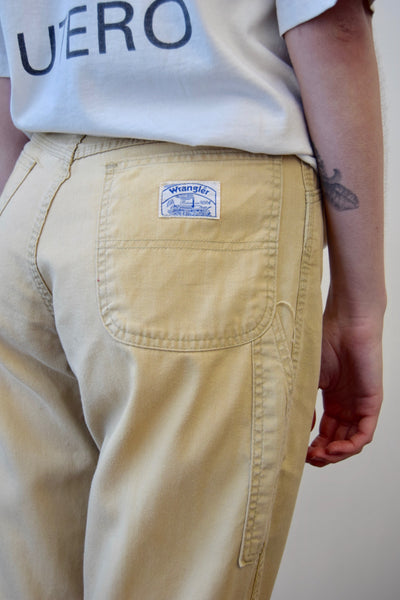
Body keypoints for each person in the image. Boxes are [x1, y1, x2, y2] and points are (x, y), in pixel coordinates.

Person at [0, 0, 385, 598]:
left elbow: (7, 74)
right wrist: (359, 310)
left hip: (31, 198)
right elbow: (329, 28)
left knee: (35, 572)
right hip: (196, 211)